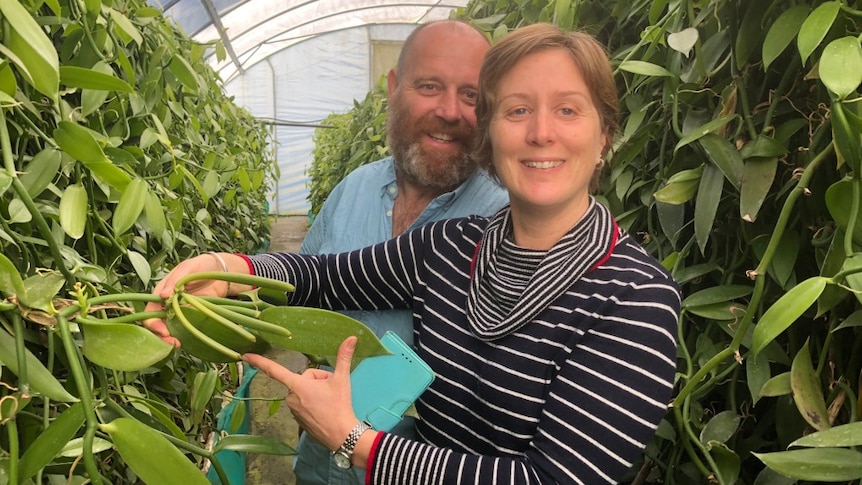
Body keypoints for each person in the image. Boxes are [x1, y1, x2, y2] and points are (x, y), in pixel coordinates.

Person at [148, 23, 681, 484]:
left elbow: (550, 478)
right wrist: (226, 269)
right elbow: (323, 276)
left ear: (605, 135)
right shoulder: (453, 246)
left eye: (568, 110)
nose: (541, 133)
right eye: (518, 110)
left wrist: (355, 440)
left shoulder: (636, 300)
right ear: (490, 135)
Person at [295, 19, 507, 484]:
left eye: (471, 95)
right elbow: (303, 287)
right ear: (394, 87)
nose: (450, 111)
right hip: (320, 468)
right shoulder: (354, 190)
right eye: (429, 86)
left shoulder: (506, 221)